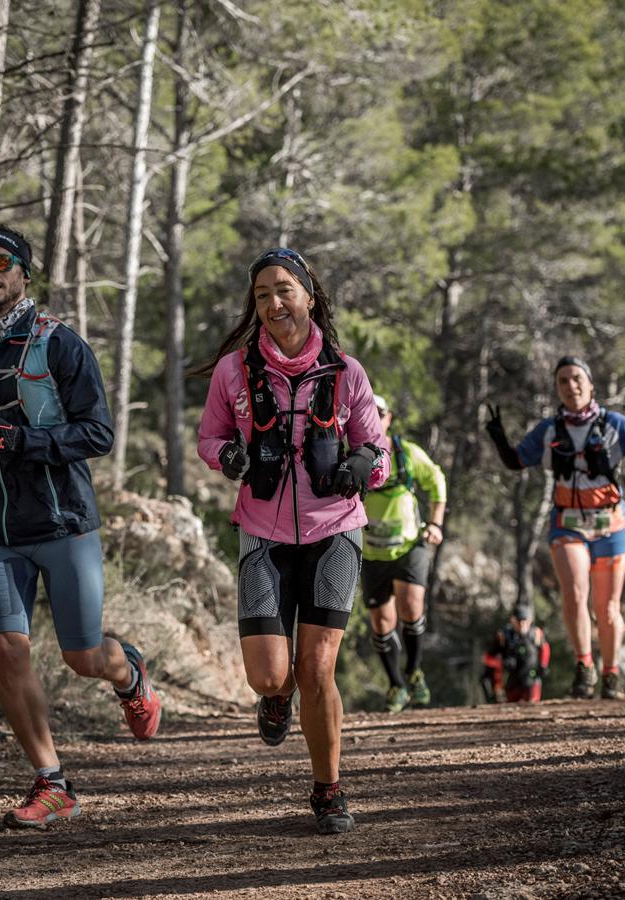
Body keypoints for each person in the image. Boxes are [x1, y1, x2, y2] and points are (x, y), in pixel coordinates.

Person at [0, 224, 160, 830]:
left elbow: (98, 432)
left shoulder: (60, 344)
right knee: (6, 648)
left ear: (24, 273)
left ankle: (128, 671)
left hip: (63, 522)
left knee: (81, 657)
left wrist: (30, 440)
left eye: (3, 262)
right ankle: (52, 783)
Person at [196, 247, 388, 835]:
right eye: (261, 295)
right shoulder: (234, 370)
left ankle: (329, 790)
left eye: (284, 290)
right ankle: (273, 698)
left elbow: (377, 451)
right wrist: (227, 454)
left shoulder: (347, 372)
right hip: (262, 531)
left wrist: (359, 467)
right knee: (269, 675)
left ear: (309, 296)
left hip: (335, 531)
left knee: (317, 670)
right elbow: (210, 437)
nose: (274, 303)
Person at [485, 356, 625, 700]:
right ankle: (585, 667)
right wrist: (499, 439)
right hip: (567, 523)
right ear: (557, 389)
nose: (571, 386)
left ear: (591, 384)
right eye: (563, 381)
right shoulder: (549, 430)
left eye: (576, 378)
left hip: (612, 524)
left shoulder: (614, 424)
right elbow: (516, 461)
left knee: (608, 608)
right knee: (575, 594)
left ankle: (611, 673)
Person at [360, 394, 447, 713]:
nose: (374, 418)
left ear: (389, 417)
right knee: (382, 621)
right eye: (367, 413)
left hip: (410, 546)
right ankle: (396, 684)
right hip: (371, 553)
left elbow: (437, 481)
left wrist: (436, 524)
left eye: (379, 413)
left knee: (411, 606)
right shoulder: (350, 453)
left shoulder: (406, 453)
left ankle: (415, 671)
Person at [481, 600, 550, 703]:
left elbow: (545, 649)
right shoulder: (503, 636)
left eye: (524, 620)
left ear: (530, 620)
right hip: (509, 681)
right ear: (512, 620)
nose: (522, 624)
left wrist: (543, 666)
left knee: (532, 706)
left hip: (531, 680)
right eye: (518, 621)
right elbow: (487, 658)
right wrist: (501, 664)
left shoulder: (536, 634)